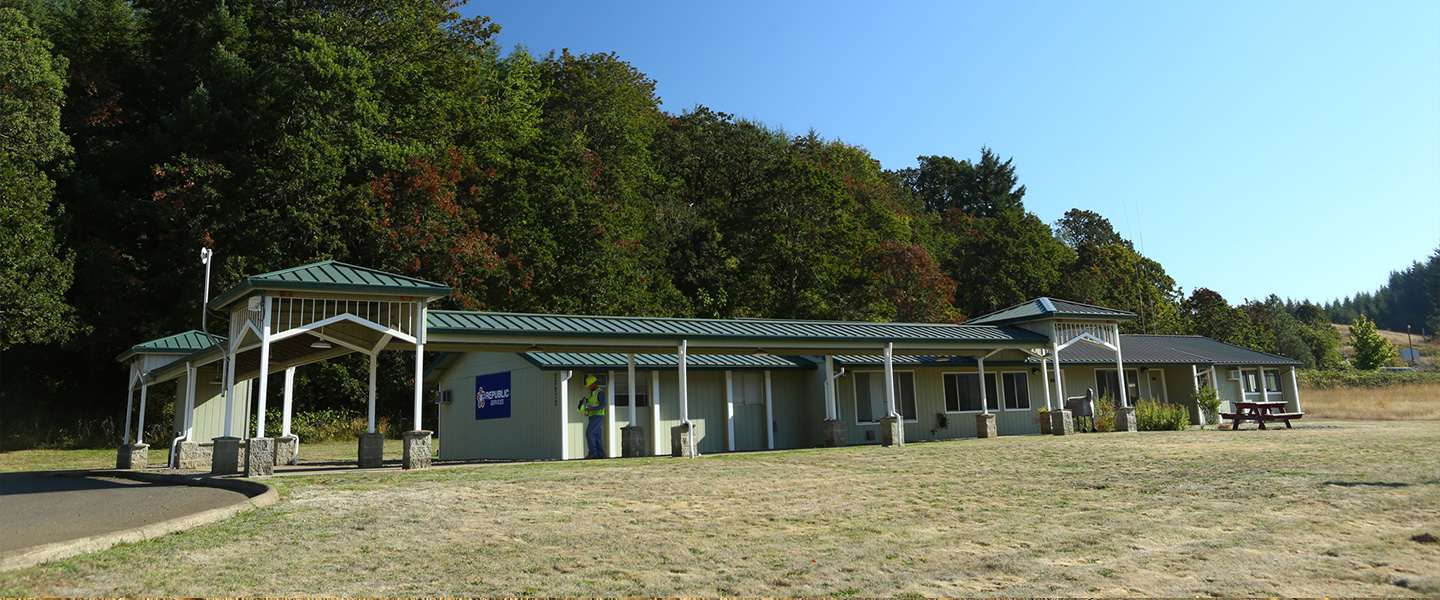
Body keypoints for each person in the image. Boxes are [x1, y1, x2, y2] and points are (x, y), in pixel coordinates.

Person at [579, 375, 607, 458]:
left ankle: (593, 453)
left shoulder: (600, 393)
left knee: (589, 433)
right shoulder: (592, 394)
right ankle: (601, 455)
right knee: (596, 435)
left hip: (597, 415)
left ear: (594, 384)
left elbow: (603, 404)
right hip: (592, 416)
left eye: (590, 385)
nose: (589, 387)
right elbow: (591, 403)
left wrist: (593, 408)